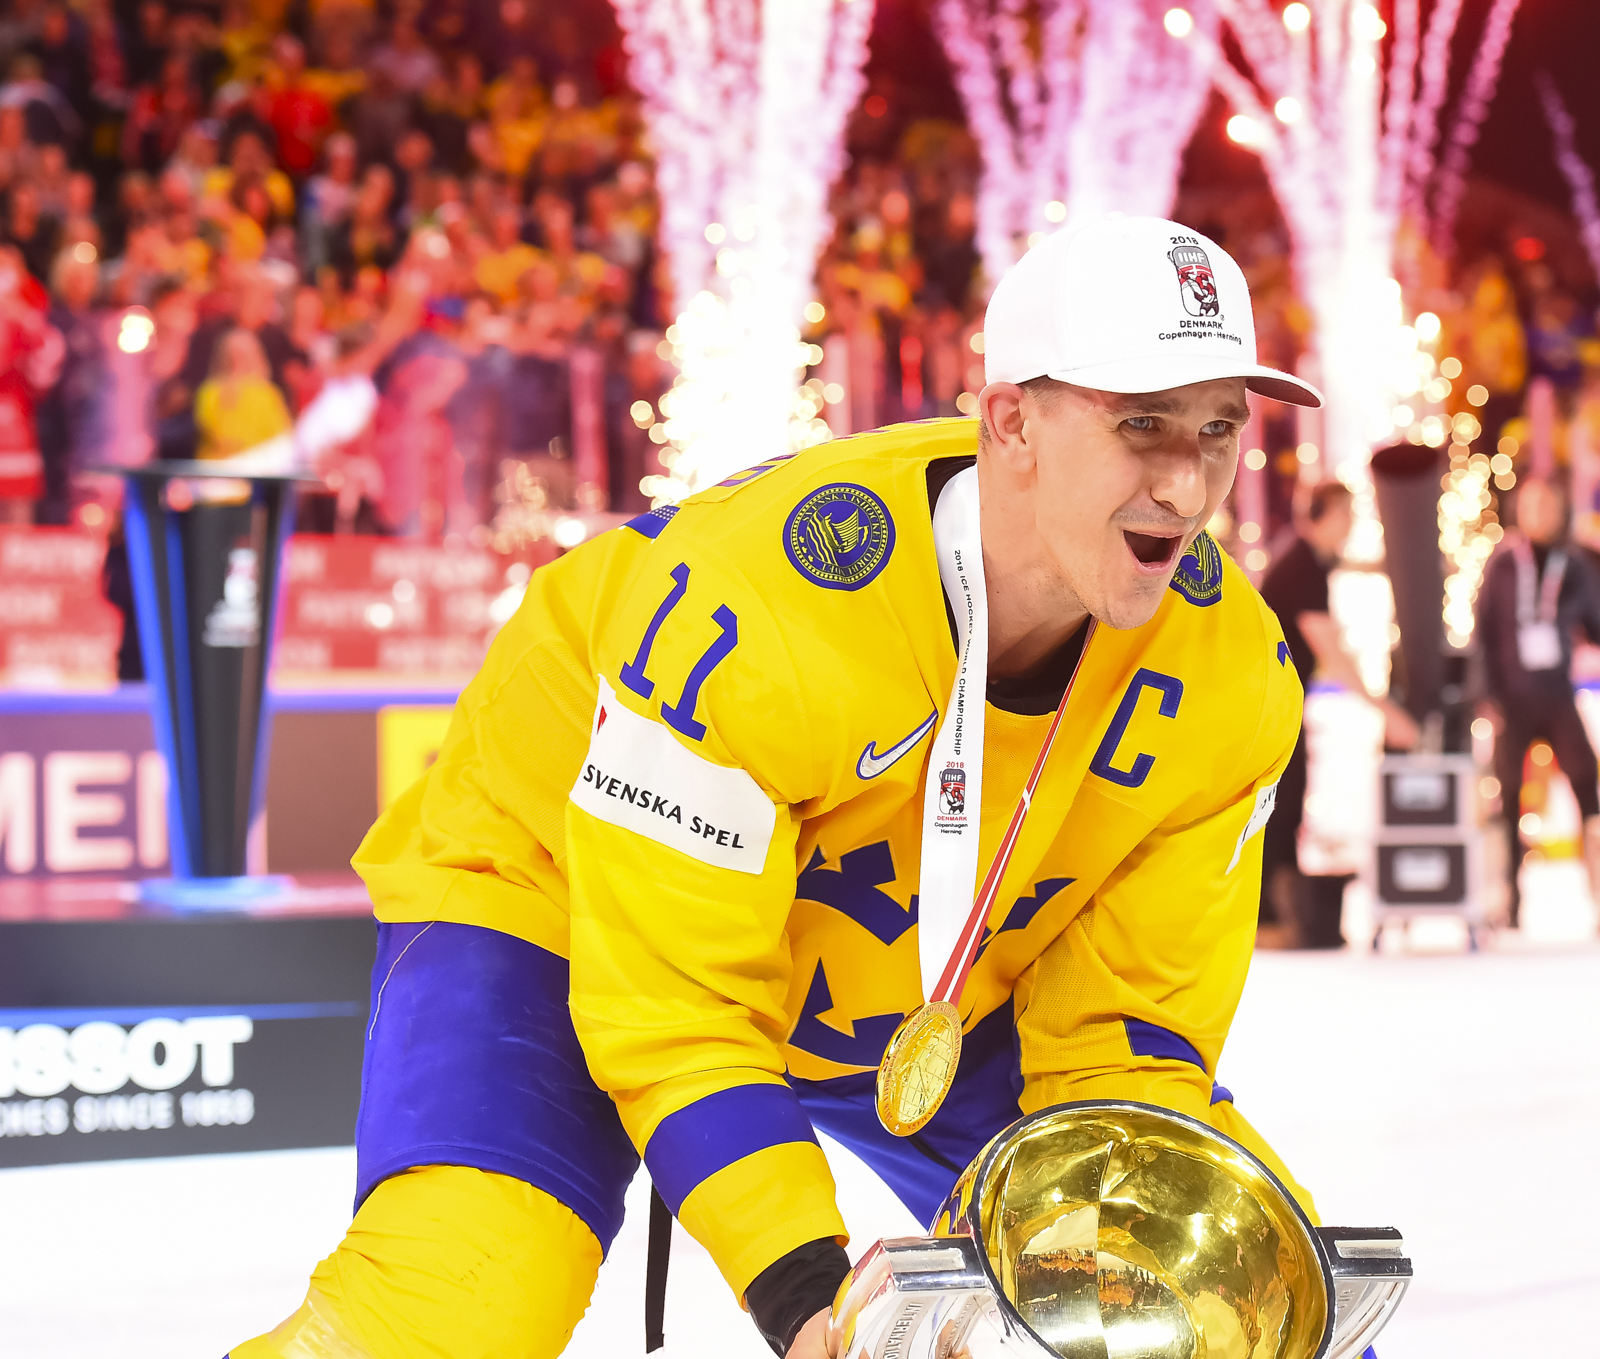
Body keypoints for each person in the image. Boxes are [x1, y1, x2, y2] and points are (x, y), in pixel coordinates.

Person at [231, 217, 1322, 1359]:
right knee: (463, 1300)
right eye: (1142, 424)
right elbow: (676, 1002)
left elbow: (1122, 1046)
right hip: (563, 890)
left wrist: (1155, 1263)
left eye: (1219, 428)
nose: (1187, 483)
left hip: (917, 978)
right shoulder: (759, 608)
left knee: (1214, 1301)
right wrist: (804, 1290)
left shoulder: (1233, 676)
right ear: (1010, 422)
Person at [1257, 480, 1419, 942]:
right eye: (1345, 514)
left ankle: (1280, 921)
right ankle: (1268, 921)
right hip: (1269, 709)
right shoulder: (1302, 565)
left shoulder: (1309, 562)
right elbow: (1331, 651)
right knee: (1279, 809)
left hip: (1280, 705)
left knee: (1288, 805)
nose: (1351, 524)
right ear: (1319, 515)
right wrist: (1385, 711)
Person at [1476, 475, 1600, 926]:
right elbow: (1483, 632)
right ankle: (1508, 901)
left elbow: (1595, 621)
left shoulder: (1575, 562)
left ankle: (1597, 894)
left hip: (1557, 693)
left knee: (1587, 786)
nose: (1540, 515)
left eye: (1548, 506)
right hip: (1512, 698)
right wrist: (1486, 696)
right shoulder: (1503, 562)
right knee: (1507, 797)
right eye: (1532, 506)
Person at [193, 326, 291, 459]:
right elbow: (217, 434)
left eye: (242, 355)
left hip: (258, 464)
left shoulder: (268, 393)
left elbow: (280, 435)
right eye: (231, 355)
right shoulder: (209, 391)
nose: (236, 361)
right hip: (218, 465)